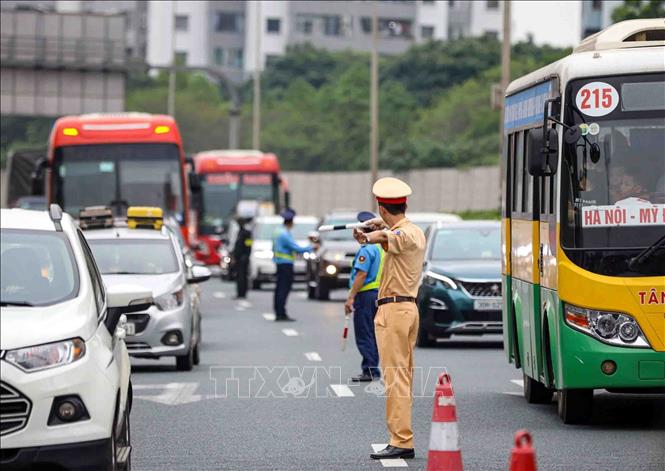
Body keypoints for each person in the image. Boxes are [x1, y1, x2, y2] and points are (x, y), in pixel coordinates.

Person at [353, 177, 426, 461]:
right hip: (407, 309)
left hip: (394, 311)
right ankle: (402, 436)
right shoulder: (414, 230)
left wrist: (367, 237)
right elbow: (390, 235)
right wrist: (381, 227)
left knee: (396, 378)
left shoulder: (401, 235)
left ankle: (401, 440)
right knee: (402, 377)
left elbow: (387, 238)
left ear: (382, 209)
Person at [345, 211, 384, 382]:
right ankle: (373, 367)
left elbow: (361, 275)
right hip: (378, 294)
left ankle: (369, 369)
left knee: (364, 333)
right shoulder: (379, 247)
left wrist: (350, 297)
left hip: (365, 295)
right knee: (374, 333)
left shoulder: (366, 250)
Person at [273, 208, 316, 321]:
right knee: (284, 289)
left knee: (279, 289)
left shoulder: (278, 231)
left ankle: (279, 311)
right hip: (285, 264)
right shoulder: (284, 234)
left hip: (279, 263)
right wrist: (312, 247)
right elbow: (296, 248)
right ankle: (281, 313)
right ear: (290, 221)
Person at [233, 216, 253, 299]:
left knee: (243, 276)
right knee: (239, 276)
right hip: (238, 258)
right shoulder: (239, 232)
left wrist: (246, 255)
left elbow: (249, 245)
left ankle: (243, 293)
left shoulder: (247, 233)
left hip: (243, 258)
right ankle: (239, 292)